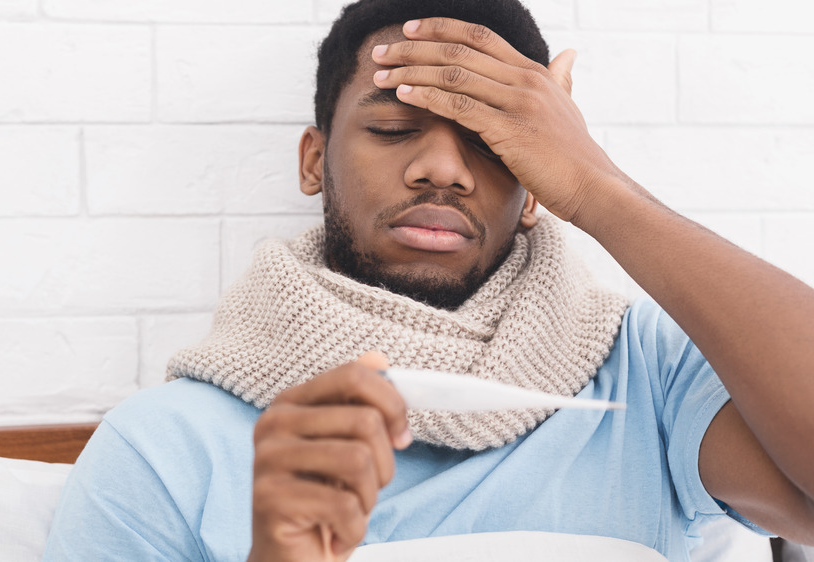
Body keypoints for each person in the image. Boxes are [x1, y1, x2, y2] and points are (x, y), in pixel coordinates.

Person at [43, 0, 814, 560]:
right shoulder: (163, 448)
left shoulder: (652, 379)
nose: (443, 168)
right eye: (393, 128)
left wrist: (596, 187)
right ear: (315, 161)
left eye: (491, 141)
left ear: (537, 181)